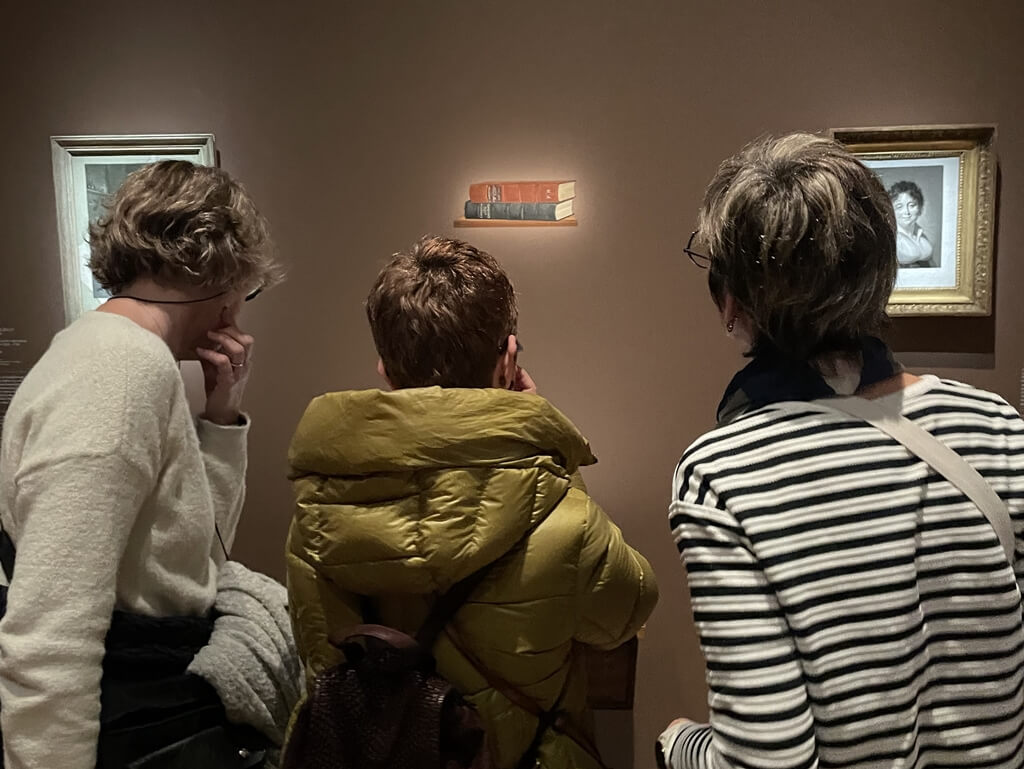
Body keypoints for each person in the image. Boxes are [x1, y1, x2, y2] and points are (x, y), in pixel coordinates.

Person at [660, 134, 1023, 769]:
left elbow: (765, 760)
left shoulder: (721, 476)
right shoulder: (998, 427)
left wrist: (677, 742)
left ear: (732, 301)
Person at [286, 235, 658, 769]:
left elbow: (323, 661)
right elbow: (628, 610)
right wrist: (552, 464)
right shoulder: (561, 516)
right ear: (508, 360)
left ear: (385, 369)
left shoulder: (316, 520)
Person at [0, 160, 283, 769]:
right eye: (247, 291)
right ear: (225, 276)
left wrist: (222, 414)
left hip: (152, 710)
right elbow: (49, 633)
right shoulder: (118, 370)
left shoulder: (128, 358)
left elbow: (198, 561)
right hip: (136, 723)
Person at [889, 179, 935, 268]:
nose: (906, 212)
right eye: (899, 206)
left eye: (912, 205)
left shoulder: (921, 236)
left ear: (920, 209)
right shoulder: (890, 238)